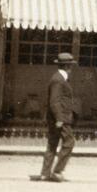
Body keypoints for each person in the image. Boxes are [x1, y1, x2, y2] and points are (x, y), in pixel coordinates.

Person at [31, 51, 77, 183]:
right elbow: (54, 101)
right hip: (61, 119)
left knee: (52, 144)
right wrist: (60, 119)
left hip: (58, 118)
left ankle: (45, 174)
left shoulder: (59, 78)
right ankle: (57, 171)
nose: (71, 69)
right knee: (69, 142)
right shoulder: (58, 80)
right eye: (71, 66)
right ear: (67, 66)